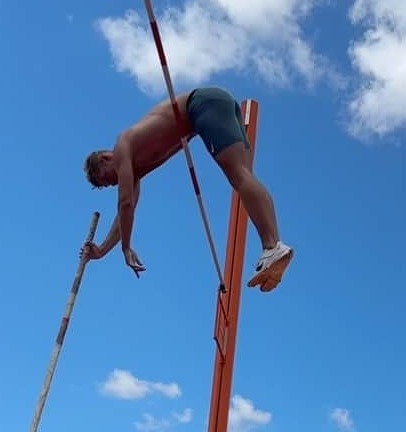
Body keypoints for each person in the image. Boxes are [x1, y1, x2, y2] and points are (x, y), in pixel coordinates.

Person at [81, 86, 293, 292]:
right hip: (216, 103)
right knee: (244, 177)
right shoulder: (136, 168)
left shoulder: (122, 146)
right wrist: (101, 251)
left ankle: (272, 247)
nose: (115, 183)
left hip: (201, 105)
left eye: (108, 178)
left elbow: (125, 202)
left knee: (239, 175)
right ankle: (274, 247)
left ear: (105, 158)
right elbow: (123, 215)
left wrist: (125, 248)